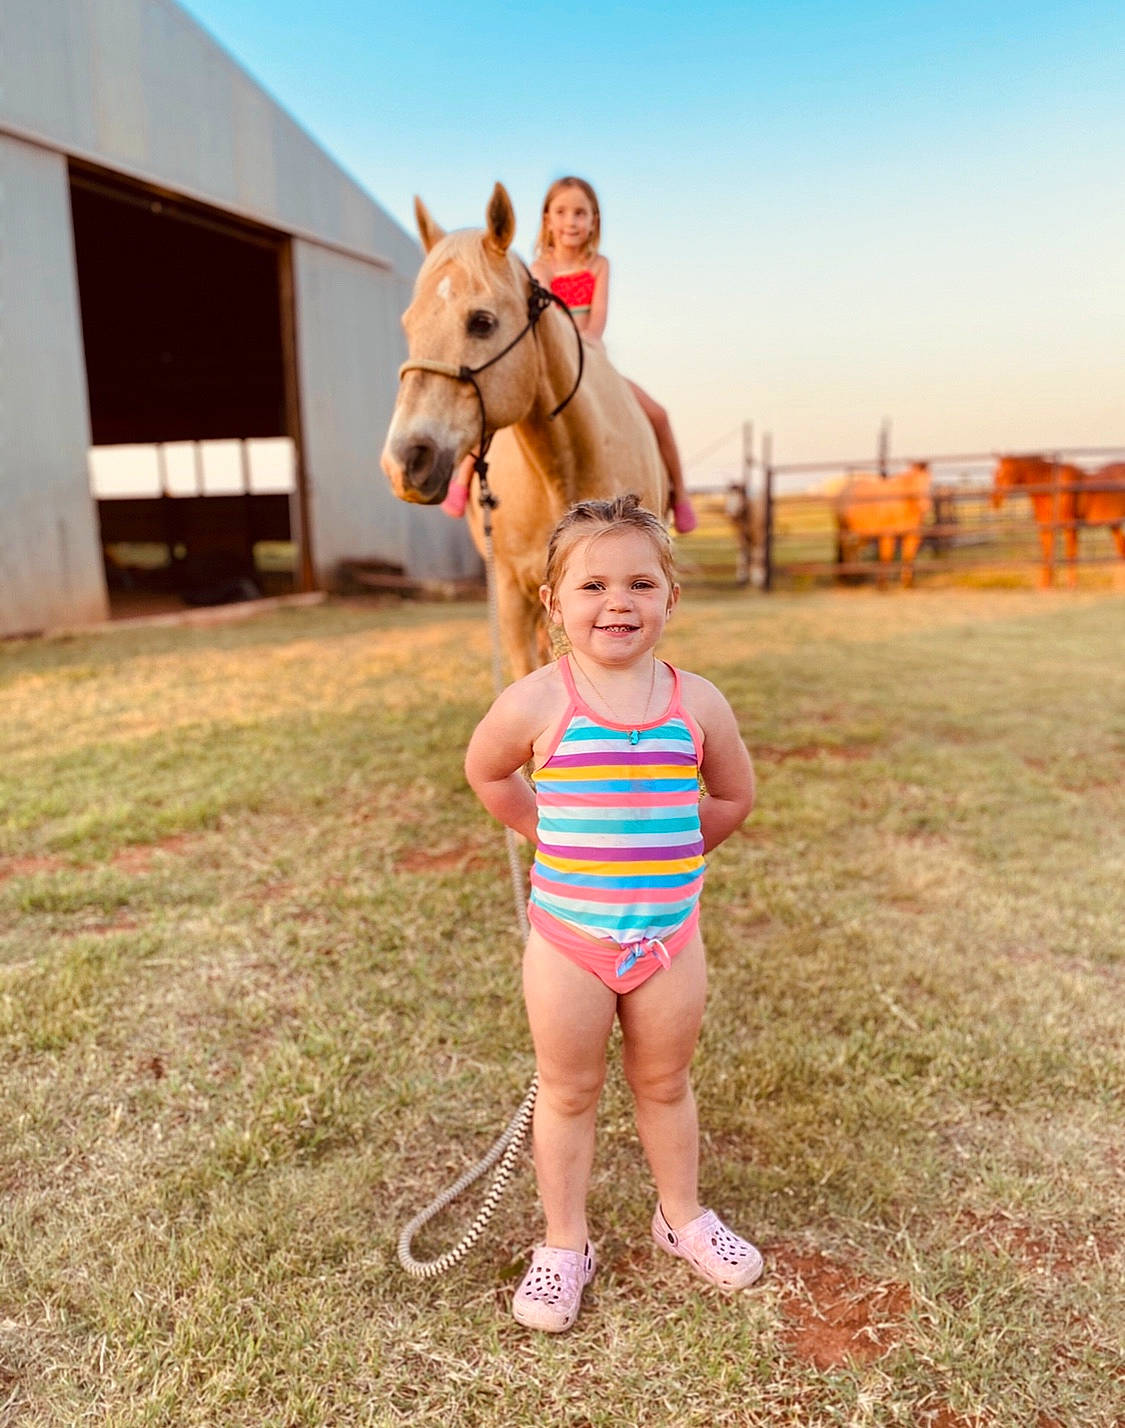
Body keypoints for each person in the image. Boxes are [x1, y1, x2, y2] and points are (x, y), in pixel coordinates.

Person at [464, 494, 760, 1333]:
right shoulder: (535, 701)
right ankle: (564, 1243)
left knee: (664, 1083)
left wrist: (673, 849)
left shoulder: (696, 702)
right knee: (567, 1090)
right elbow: (487, 773)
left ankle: (681, 1217)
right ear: (552, 603)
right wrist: (539, 826)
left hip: (669, 939)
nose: (617, 602)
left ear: (671, 597)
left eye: (640, 583)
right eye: (591, 586)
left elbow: (734, 794)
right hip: (570, 944)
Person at [442, 177, 698, 535]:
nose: (571, 221)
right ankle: (462, 477)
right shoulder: (540, 270)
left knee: (658, 414)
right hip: (556, 364)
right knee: (495, 412)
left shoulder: (599, 266)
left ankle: (680, 494)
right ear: (547, 220)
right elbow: (547, 324)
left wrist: (587, 344)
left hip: (592, 359)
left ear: (594, 220)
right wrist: (564, 352)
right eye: (561, 212)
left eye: (581, 213)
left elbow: (597, 321)